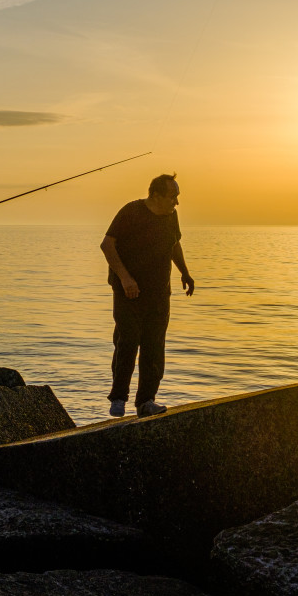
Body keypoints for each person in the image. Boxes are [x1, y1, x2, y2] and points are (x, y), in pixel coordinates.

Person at [100, 173, 194, 417]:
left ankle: (146, 402)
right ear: (156, 195)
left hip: (159, 293)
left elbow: (174, 245)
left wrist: (185, 272)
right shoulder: (131, 211)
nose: (177, 202)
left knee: (154, 346)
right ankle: (118, 397)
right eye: (173, 197)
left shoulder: (171, 217)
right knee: (128, 340)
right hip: (128, 291)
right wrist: (125, 278)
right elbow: (107, 245)